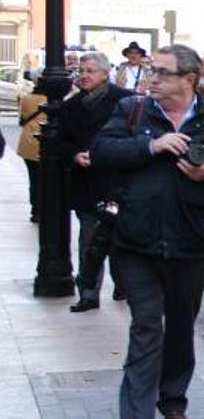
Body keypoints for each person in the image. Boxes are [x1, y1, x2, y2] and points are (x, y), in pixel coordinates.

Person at [90, 44, 204, 419]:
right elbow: (101, 152)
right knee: (146, 323)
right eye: (151, 71)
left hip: (192, 241)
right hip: (136, 239)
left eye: (162, 73)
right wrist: (151, 146)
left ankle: (173, 402)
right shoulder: (132, 112)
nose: (153, 79)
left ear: (189, 79)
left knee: (180, 325)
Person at [60, 52, 134, 312]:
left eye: (90, 70)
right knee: (89, 242)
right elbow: (61, 141)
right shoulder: (70, 106)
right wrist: (74, 155)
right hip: (87, 185)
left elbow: (135, 139)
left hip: (117, 183)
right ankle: (88, 293)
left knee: (120, 240)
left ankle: (123, 284)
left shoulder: (125, 101)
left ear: (105, 73)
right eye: (82, 70)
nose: (84, 75)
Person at [17, 77, 46, 222]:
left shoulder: (27, 98)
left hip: (28, 141)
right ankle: (45, 208)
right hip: (46, 143)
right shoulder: (54, 99)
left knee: (33, 179)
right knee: (47, 180)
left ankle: (36, 210)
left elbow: (23, 116)